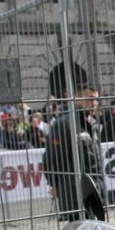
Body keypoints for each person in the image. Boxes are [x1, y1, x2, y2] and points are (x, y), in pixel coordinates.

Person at [42, 87, 106, 221]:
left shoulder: (89, 123)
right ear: (78, 99)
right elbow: (52, 158)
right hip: (75, 194)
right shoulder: (64, 124)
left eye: (96, 99)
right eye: (90, 99)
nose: (94, 103)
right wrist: (54, 183)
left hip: (92, 190)